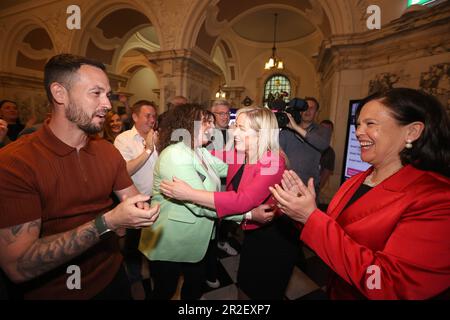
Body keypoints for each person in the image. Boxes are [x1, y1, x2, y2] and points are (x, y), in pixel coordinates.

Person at [0, 54, 160, 300]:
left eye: (107, 94)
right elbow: (18, 266)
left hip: (113, 278)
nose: (107, 104)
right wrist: (108, 223)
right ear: (60, 93)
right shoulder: (15, 162)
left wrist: (147, 209)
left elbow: (134, 201)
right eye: (96, 93)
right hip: (53, 293)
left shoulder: (107, 151)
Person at [270, 88, 450, 299]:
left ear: (412, 132)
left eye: (370, 124)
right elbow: (333, 229)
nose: (358, 132)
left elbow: (388, 283)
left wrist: (311, 218)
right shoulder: (359, 179)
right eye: (358, 125)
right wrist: (299, 211)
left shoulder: (437, 200)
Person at [160, 106, 299, 300]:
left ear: (261, 134)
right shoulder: (243, 153)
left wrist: (190, 194)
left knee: (263, 294)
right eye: (235, 126)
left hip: (274, 237)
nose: (234, 132)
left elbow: (243, 201)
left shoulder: (273, 161)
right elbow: (207, 158)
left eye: (241, 128)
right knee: (244, 288)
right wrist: (183, 144)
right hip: (253, 233)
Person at [138, 104, 245, 300]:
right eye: (206, 122)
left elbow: (227, 169)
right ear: (188, 125)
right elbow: (202, 204)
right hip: (170, 240)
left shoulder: (200, 151)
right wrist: (249, 214)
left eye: (212, 123)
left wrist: (254, 160)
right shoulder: (175, 155)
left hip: (195, 239)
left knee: (194, 287)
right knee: (164, 291)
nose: (212, 128)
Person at [113, 100, 158, 298]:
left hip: (159, 199)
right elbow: (124, 171)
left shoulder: (158, 136)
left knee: (155, 242)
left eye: (154, 116)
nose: (152, 119)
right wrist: (148, 149)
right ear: (135, 116)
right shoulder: (123, 140)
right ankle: (135, 280)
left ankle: (153, 274)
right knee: (133, 245)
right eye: (147, 115)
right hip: (136, 201)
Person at [280, 97, 331, 195]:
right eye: (305, 108)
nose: (307, 111)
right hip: (286, 186)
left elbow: (323, 144)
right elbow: (276, 151)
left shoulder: (322, 130)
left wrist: (296, 127)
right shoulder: (287, 130)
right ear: (300, 111)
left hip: (309, 188)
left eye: (312, 108)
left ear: (317, 112)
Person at [318, 119, 336, 208]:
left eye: (327, 130)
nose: (324, 132)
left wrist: (315, 190)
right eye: (322, 129)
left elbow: (325, 174)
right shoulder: (307, 144)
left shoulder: (330, 153)